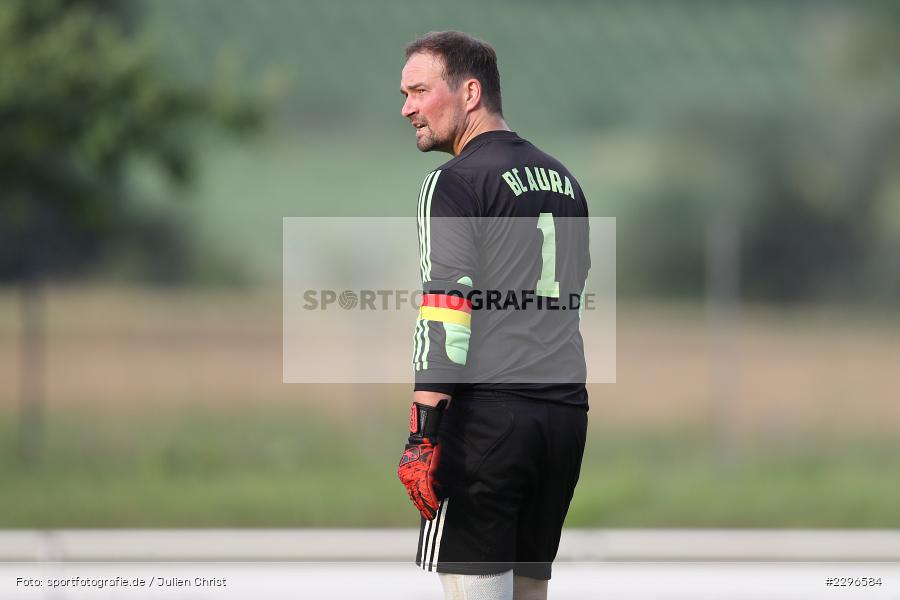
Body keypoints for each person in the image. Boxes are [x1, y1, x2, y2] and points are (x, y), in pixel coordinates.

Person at [396, 31, 590, 600]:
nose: (406, 107)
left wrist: (422, 435)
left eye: (419, 91)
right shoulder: (566, 181)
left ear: (470, 92)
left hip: (487, 424)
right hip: (562, 420)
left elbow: (445, 310)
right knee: (530, 591)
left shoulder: (453, 182)